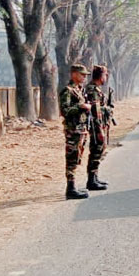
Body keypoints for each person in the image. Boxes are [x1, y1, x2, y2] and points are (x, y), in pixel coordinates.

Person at [59, 64, 92, 200]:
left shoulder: (79, 90)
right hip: (73, 130)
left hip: (81, 129)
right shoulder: (68, 91)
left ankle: (73, 186)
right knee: (71, 158)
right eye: (82, 74)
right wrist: (81, 106)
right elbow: (65, 110)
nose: (84, 77)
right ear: (74, 74)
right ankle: (70, 188)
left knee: (77, 157)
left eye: (85, 75)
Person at [84, 65, 109, 191]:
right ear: (100, 76)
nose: (106, 77)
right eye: (105, 75)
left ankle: (94, 177)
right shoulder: (92, 90)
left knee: (98, 150)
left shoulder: (96, 89)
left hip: (99, 124)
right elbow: (95, 111)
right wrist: (99, 129)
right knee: (96, 149)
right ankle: (91, 180)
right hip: (95, 125)